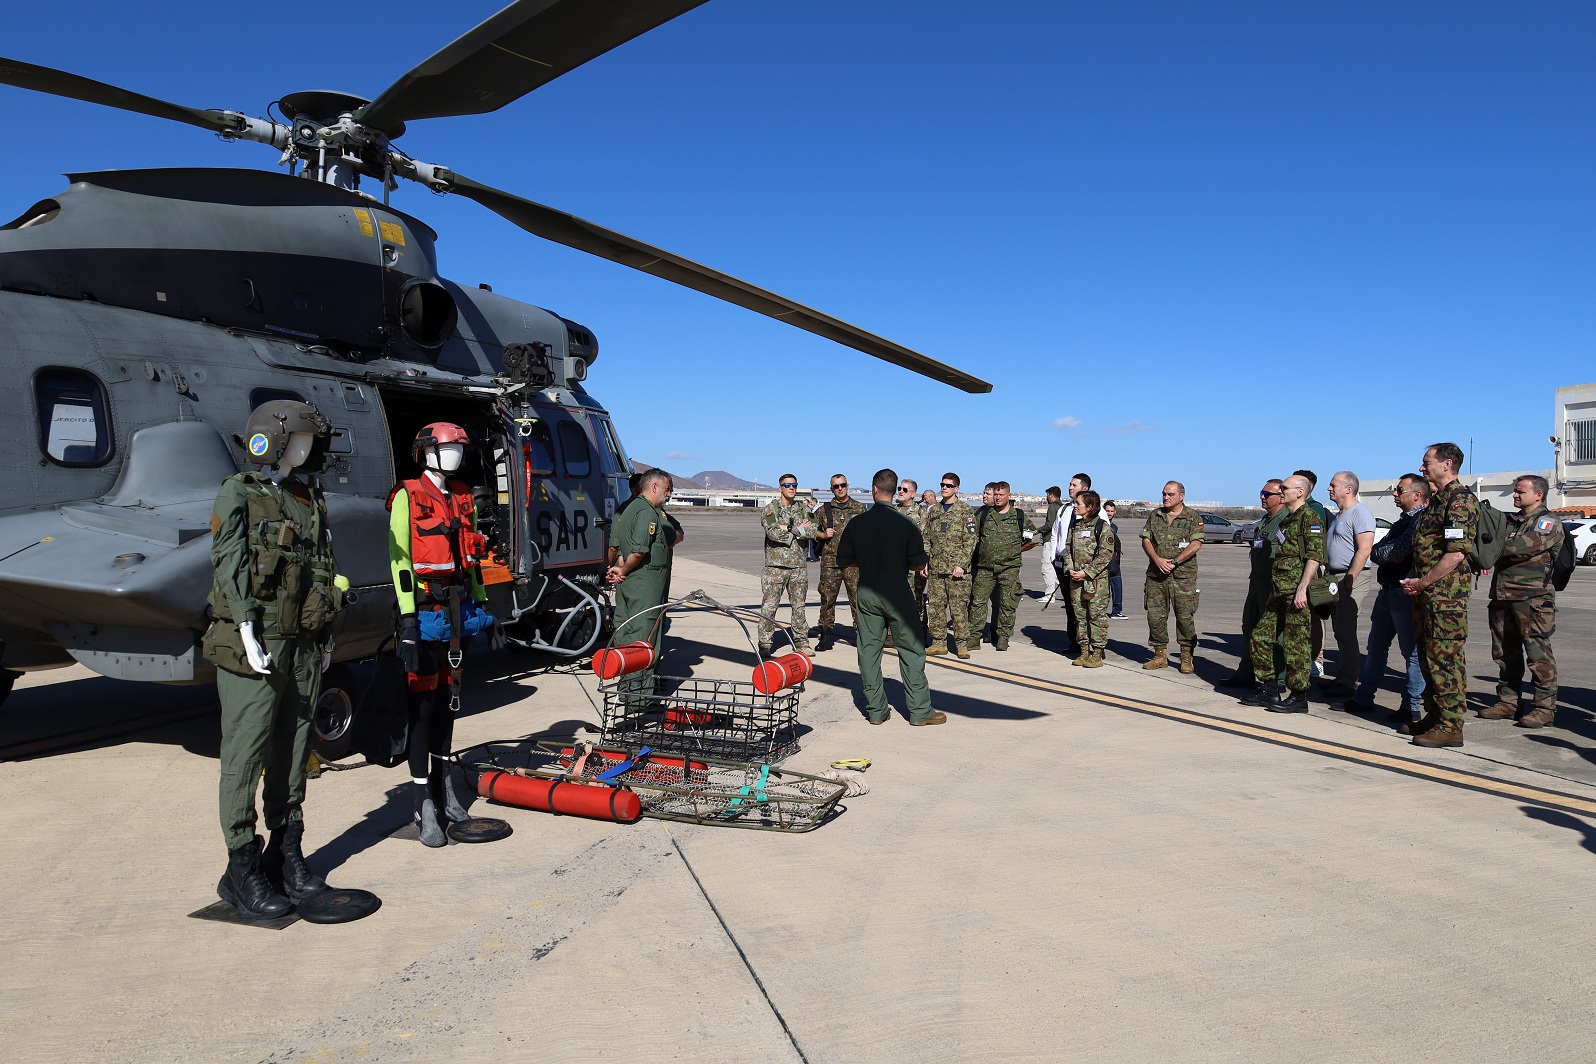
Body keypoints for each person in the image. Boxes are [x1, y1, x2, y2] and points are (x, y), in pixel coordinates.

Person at [204, 400, 344, 914]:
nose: (310, 448)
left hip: (302, 645)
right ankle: (242, 867)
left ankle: (286, 857)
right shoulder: (238, 492)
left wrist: (324, 637)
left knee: (293, 753)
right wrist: (244, 625)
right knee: (244, 757)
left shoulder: (309, 498)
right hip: (255, 643)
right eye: (303, 438)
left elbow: (323, 568)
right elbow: (228, 560)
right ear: (276, 439)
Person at [389, 422, 508, 848]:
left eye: (460, 447)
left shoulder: (461, 496)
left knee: (448, 706)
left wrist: (487, 611)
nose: (457, 454)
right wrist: (406, 622)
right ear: (426, 452)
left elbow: (471, 560)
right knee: (421, 712)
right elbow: (400, 563)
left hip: (458, 618)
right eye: (449, 447)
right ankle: (423, 800)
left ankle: (445, 790)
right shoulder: (407, 496)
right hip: (423, 617)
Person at [836, 468, 944, 726]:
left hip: (868, 590)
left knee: (869, 651)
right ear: (894, 492)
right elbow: (919, 563)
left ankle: (876, 710)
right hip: (897, 592)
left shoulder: (857, 523)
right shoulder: (906, 524)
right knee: (911, 650)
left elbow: (844, 560)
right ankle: (920, 711)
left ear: (874, 490)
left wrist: (868, 562)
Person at [1399, 442, 1482, 748]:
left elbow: (1456, 555)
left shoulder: (1460, 501)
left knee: (1445, 659)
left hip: (1446, 598)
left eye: (1427, 462)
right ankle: (1435, 717)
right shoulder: (1437, 501)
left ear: (1447, 464)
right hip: (1429, 596)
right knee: (1428, 657)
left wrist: (1423, 582)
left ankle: (1451, 725)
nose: (1422, 468)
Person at [1342, 475, 1429, 724]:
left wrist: (1386, 552)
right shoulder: (1403, 521)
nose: (1394, 494)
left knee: (1411, 652)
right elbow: (1379, 552)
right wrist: (1385, 552)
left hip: (1405, 593)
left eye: (1399, 490)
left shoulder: (1420, 520)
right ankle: (1364, 697)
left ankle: (1410, 707)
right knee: (1376, 648)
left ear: (1417, 495)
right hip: (1387, 591)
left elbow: (1395, 550)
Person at [1482, 475, 1564, 729]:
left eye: (1520, 492)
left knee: (1538, 656)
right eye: (1515, 491)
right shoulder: (1512, 521)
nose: (1515, 495)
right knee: (1505, 653)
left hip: (1533, 600)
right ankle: (1509, 702)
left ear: (1538, 495)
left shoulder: (1548, 522)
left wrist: (1495, 544)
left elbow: (1520, 547)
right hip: (1503, 596)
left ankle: (1544, 708)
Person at [1241, 475, 1326, 713]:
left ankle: (1299, 696)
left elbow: (1314, 555)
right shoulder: (1289, 519)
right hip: (1280, 592)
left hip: (1296, 594)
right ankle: (1270, 690)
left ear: (1299, 492)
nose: (1281, 491)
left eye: (1285, 488)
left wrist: (1302, 588)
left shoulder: (1310, 517)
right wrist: (1274, 591)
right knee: (1259, 637)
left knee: (1295, 644)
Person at [1221, 479, 1288, 688]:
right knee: (1249, 627)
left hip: (1273, 586)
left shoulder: (1286, 522)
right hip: (1256, 584)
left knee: (1275, 634)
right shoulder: (1266, 521)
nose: (1262, 497)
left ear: (1281, 497)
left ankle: (1278, 679)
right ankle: (1246, 673)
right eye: (1262, 492)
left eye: (1267, 494)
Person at [606, 468, 676, 651]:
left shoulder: (629, 509)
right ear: (654, 487)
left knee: (626, 626)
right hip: (644, 584)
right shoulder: (647, 512)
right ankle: (640, 679)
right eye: (667, 489)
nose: (668, 495)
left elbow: (614, 547)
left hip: (633, 581)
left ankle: (628, 676)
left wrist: (616, 569)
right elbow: (638, 552)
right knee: (644, 632)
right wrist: (622, 570)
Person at [1140, 480, 1204, 672]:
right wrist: (1157, 559)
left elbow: (1196, 544)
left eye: (1170, 494)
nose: (1166, 498)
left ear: (1181, 496)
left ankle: (1186, 657)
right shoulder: (1155, 515)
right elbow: (1146, 539)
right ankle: (1160, 655)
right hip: (1156, 575)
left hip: (1183, 576)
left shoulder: (1192, 517)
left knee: (1184, 616)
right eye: (1164, 494)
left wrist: (1175, 561)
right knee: (1156, 616)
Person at [966, 481, 1037, 651]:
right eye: (995, 495)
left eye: (1001, 495)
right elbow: (970, 537)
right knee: (978, 602)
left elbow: (1033, 539)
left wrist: (1016, 550)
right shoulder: (983, 515)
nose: (998, 498)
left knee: (1007, 603)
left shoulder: (1018, 516)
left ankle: (1003, 637)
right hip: (985, 568)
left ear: (1009, 496)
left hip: (1009, 568)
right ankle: (974, 637)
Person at [1324, 471, 1377, 694]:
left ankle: (1348, 682)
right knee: (1339, 629)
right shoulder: (1340, 515)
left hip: (1351, 576)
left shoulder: (1360, 513)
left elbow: (1364, 549)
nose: (1329, 489)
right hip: (1335, 577)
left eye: (1333, 485)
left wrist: (1349, 579)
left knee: (1345, 629)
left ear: (1348, 488)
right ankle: (1344, 676)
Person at [758, 474, 817, 656]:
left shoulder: (804, 509)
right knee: (770, 605)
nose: (791, 488)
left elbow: (813, 530)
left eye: (794, 485)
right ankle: (765, 642)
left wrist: (789, 528)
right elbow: (773, 533)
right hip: (776, 567)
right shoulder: (770, 509)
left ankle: (801, 642)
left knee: (799, 606)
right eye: (787, 485)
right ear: (780, 488)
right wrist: (798, 529)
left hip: (798, 566)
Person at [923, 472, 978, 657]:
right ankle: (938, 642)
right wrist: (925, 560)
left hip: (957, 570)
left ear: (957, 488)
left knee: (958, 608)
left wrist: (961, 564)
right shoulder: (935, 511)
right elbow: (927, 538)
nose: (944, 488)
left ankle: (961, 644)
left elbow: (970, 540)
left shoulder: (965, 510)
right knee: (936, 608)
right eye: (942, 484)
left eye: (948, 485)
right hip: (937, 568)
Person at [814, 473, 867, 651]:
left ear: (847, 485)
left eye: (842, 485)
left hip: (853, 563)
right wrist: (823, 534)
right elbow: (813, 532)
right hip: (830, 562)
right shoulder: (824, 510)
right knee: (827, 599)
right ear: (831, 489)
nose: (840, 489)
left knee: (857, 599)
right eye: (836, 486)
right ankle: (826, 635)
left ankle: (862, 636)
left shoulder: (859, 508)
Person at [1062, 490, 1116, 667]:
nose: (1075, 506)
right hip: (1075, 580)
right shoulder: (1075, 526)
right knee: (1080, 617)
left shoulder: (1102, 527)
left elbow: (1105, 555)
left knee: (1096, 617)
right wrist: (1070, 569)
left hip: (1095, 582)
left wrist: (1087, 573)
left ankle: (1097, 654)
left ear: (1090, 506)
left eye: (1079, 503)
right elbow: (1067, 550)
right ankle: (1084, 651)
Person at [1048, 474, 1092, 648]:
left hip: (1084, 567)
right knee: (1070, 604)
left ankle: (1089, 642)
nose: (1070, 487)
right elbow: (1055, 534)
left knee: (1085, 605)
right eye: (1070, 484)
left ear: (1085, 488)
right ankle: (1074, 641)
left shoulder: (1097, 510)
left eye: (1074, 485)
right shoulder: (1064, 509)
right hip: (1063, 564)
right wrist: (1053, 557)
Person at [1296, 469, 1331, 678]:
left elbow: (1314, 546)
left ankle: (1317, 659)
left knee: (1315, 616)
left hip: (1313, 570)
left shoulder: (1314, 509)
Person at [1038, 486, 1064, 607]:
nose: (1047, 498)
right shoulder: (1063, 507)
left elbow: (1049, 525)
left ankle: (1050, 594)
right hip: (1060, 543)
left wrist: (1037, 531)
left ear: (1052, 495)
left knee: (1047, 567)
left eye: (1048, 495)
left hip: (1050, 541)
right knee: (1057, 568)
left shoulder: (1053, 507)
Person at [1104, 500, 1127, 618]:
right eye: (1107, 511)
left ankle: (1116, 611)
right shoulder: (1100, 525)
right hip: (1103, 561)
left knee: (1117, 586)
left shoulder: (1114, 527)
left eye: (1112, 511)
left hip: (1114, 561)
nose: (1109, 513)